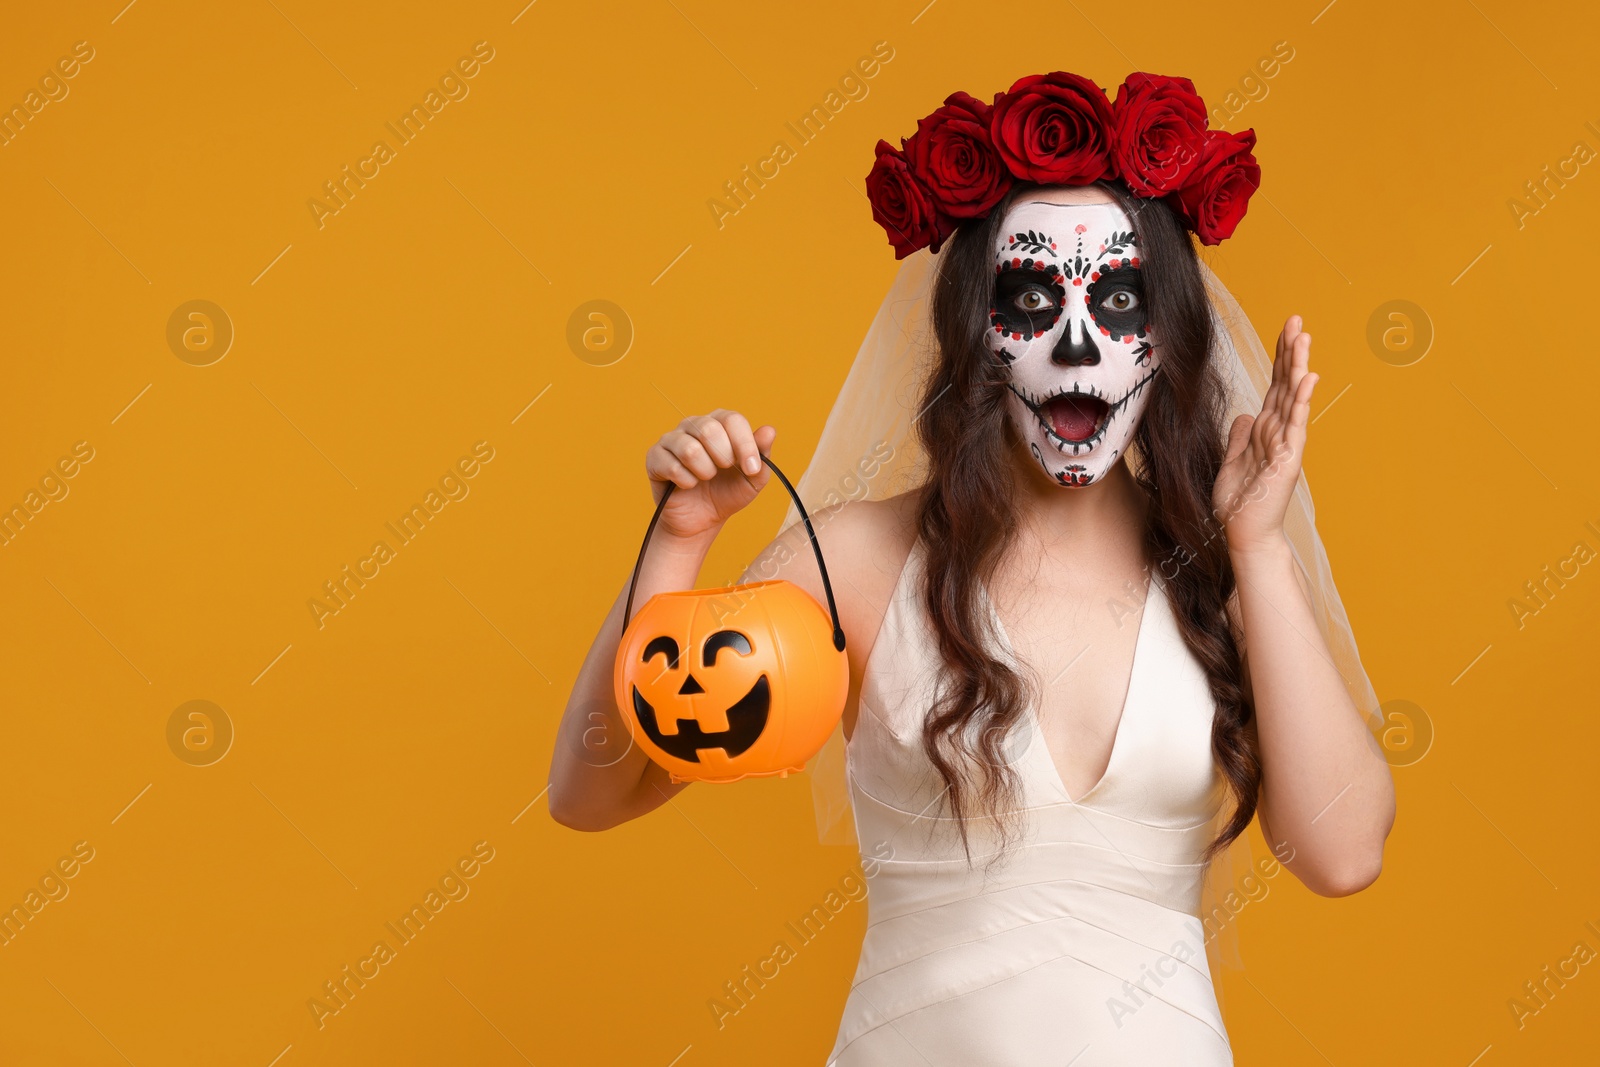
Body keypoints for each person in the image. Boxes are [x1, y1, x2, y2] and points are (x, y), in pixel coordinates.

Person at [550, 71, 1395, 1065]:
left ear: (1167, 335)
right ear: (970, 330)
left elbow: (1341, 853)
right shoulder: (860, 558)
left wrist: (1255, 544)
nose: (1076, 345)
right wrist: (681, 536)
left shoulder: (1217, 569)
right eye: (1032, 297)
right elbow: (592, 790)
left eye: (1118, 299)